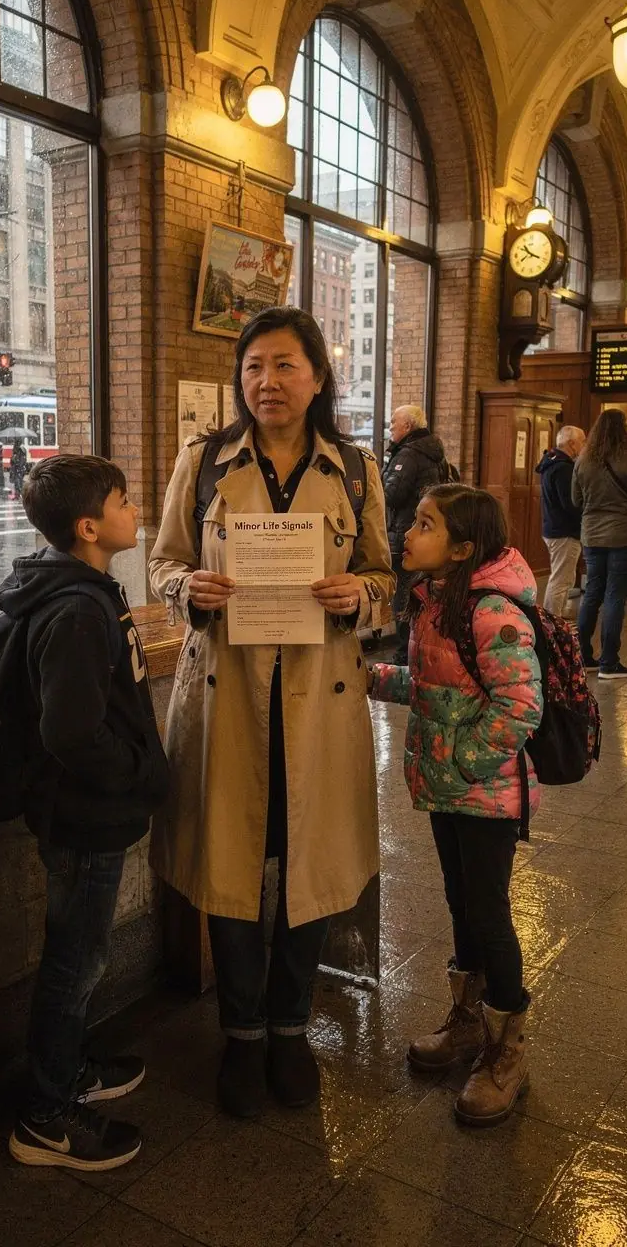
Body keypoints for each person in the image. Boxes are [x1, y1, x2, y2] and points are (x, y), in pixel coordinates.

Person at [149, 306, 393, 1120]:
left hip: (320, 707)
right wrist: (191, 589)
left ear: (317, 375)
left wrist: (360, 593)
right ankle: (241, 1036)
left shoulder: (354, 470)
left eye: (285, 365)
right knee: (230, 871)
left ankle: (291, 1030)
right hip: (228, 702)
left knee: (309, 870)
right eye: (254, 366)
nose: (267, 381)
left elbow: (385, 580)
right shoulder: (207, 459)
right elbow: (161, 563)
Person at [2, 455, 170, 1172]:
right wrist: (137, 774)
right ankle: (43, 1117)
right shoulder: (74, 608)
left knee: (83, 955)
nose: (137, 511)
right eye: (124, 501)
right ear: (88, 526)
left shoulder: (87, 588)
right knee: (75, 962)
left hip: (89, 813)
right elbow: (69, 731)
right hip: (84, 817)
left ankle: (67, 1072)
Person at [368, 485, 542, 1127]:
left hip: (484, 790)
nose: (408, 534)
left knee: (490, 913)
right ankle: (468, 1022)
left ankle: (506, 1049)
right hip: (448, 783)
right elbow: (438, 683)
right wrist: (373, 679)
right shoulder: (436, 602)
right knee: (460, 902)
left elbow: (520, 706)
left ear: (462, 548)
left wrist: (465, 762)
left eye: (424, 525)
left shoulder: (494, 612)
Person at [572, 408, 627, 681]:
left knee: (592, 593)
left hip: (593, 536)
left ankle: (583, 657)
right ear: (625, 430)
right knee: (615, 596)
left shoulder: (583, 461)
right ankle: (610, 663)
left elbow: (575, 501)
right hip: (626, 536)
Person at [382, 404, 446, 664]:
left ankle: (402, 656)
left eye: (393, 423)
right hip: (428, 536)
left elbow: (391, 495)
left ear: (407, 426)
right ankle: (417, 649)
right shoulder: (434, 451)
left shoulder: (408, 454)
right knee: (418, 592)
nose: (390, 428)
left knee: (403, 596)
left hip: (404, 534)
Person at [535, 425, 585, 618]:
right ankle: (552, 620)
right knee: (561, 579)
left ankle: (556, 616)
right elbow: (570, 504)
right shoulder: (564, 469)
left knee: (564, 577)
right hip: (564, 531)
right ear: (571, 444)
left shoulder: (551, 462)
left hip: (554, 528)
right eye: (582, 441)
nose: (583, 446)